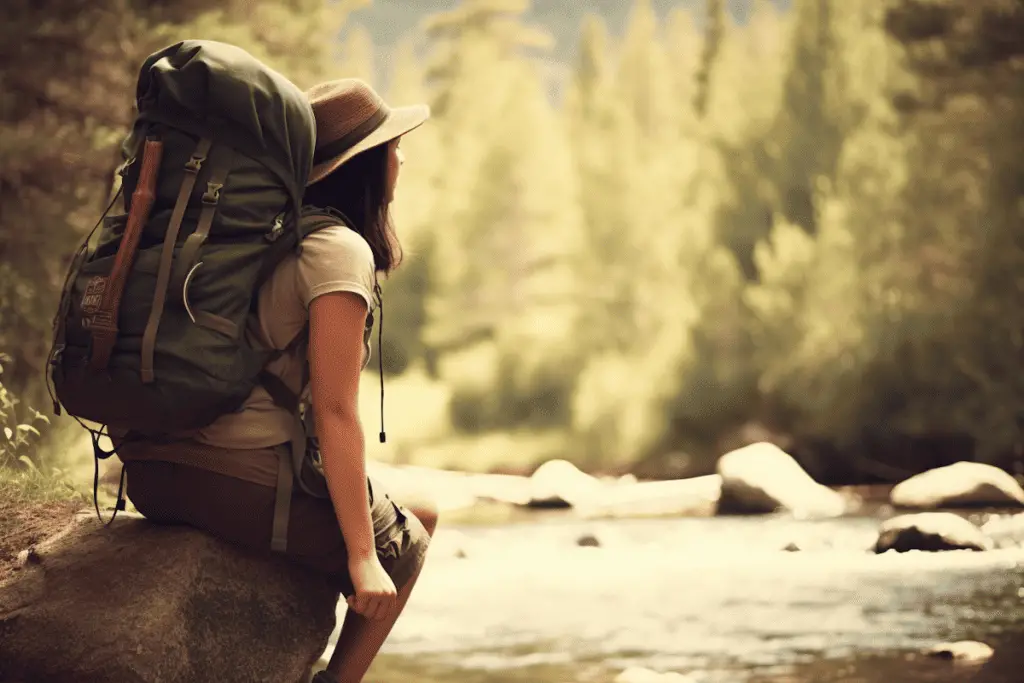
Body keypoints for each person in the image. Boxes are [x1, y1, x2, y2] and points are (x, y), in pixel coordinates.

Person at [116, 79, 437, 683]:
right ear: (364, 166)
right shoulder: (336, 250)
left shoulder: (248, 233)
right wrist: (364, 557)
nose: (402, 157)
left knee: (411, 507)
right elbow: (335, 413)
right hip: (226, 480)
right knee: (410, 540)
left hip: (151, 474)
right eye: (393, 146)